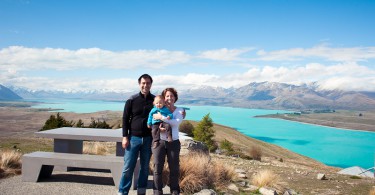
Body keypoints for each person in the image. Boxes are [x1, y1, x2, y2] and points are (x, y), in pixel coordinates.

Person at [118, 74, 155, 195]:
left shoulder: (154, 101)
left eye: (148, 83)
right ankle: (122, 192)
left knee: (144, 168)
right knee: (128, 167)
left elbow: (163, 113)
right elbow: (125, 119)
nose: (146, 85)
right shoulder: (132, 100)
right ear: (139, 84)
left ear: (151, 84)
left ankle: (141, 191)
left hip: (148, 139)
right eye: (143, 83)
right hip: (133, 138)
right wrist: (124, 137)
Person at [152, 88, 184, 195]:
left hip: (173, 142)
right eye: (167, 96)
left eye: (172, 96)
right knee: (157, 168)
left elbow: (176, 123)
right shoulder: (158, 107)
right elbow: (152, 121)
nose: (169, 98)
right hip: (159, 142)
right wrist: (157, 128)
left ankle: (174, 191)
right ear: (164, 98)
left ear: (175, 98)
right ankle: (157, 191)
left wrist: (162, 118)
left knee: (174, 169)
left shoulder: (180, 110)